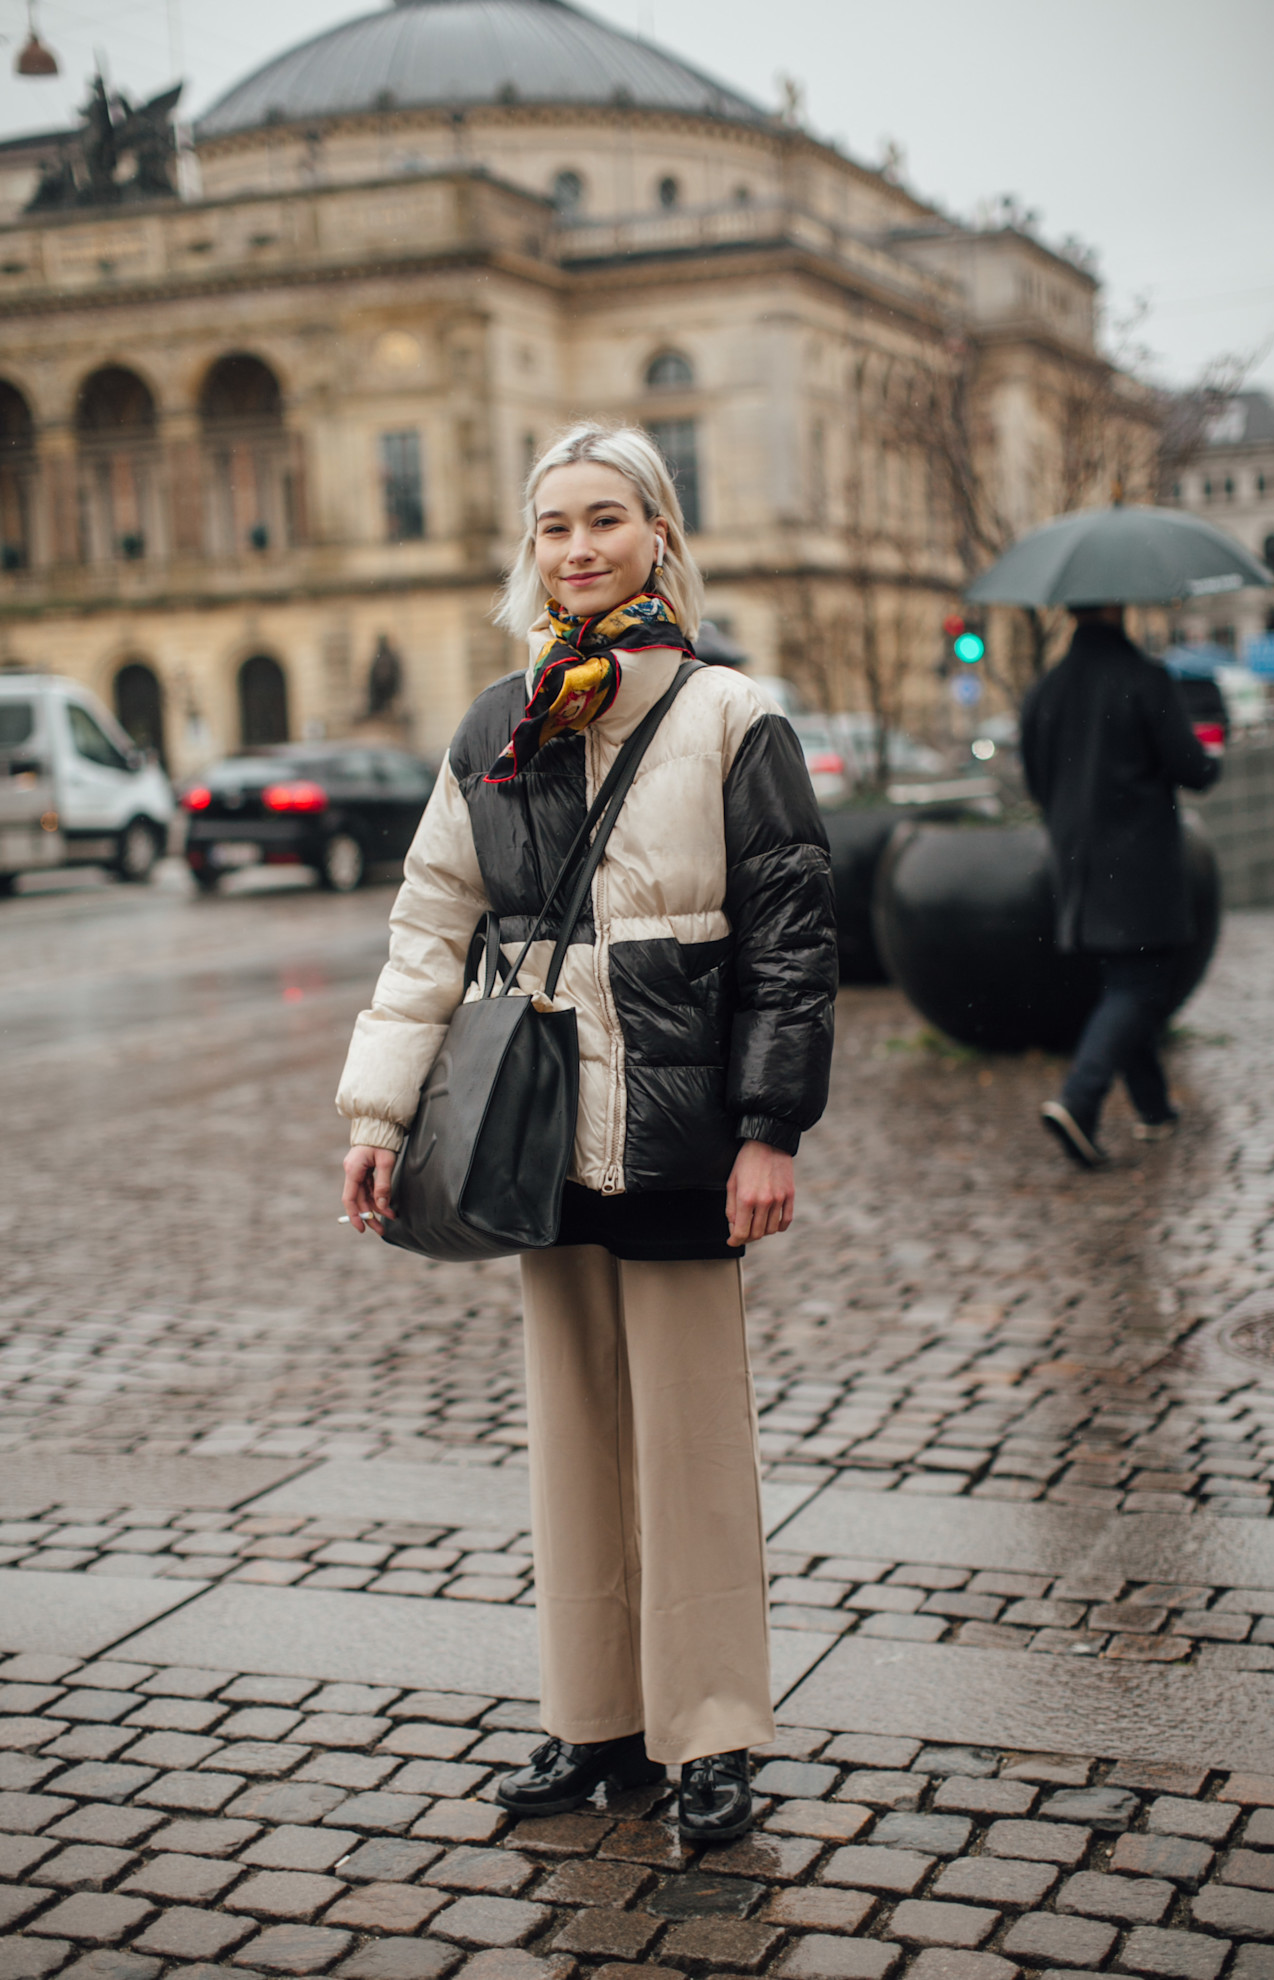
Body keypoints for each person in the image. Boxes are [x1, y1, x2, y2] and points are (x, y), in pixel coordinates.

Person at [336, 422, 836, 1842]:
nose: (578, 549)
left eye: (606, 520)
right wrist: (378, 1110)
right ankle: (595, 1721)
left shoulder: (731, 716)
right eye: (554, 526)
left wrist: (769, 1128)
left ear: (660, 534)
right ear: (532, 549)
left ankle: (713, 1733)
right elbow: (428, 929)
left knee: (689, 1450)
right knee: (574, 1441)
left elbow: (795, 941)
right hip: (539, 1128)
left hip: (680, 1129)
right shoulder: (499, 724)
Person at [1020, 603, 1220, 1169]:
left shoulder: (1047, 689)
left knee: (1126, 984)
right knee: (1139, 987)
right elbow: (1191, 766)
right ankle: (1079, 1100)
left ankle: (1154, 1110)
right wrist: (1210, 753)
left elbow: (1037, 779)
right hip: (1139, 865)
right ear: (1115, 606)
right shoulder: (1144, 678)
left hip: (1076, 862)